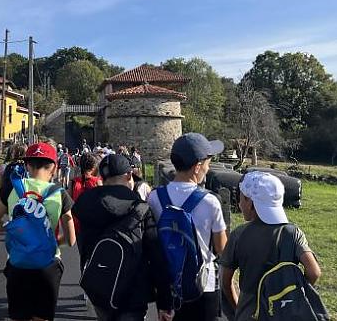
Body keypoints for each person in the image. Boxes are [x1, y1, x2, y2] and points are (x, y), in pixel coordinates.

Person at [0, 142, 77, 321]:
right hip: (48, 266)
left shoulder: (13, 188)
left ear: (27, 165)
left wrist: (14, 230)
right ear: (54, 167)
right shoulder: (60, 194)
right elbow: (71, 239)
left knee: (19, 316)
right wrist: (51, 241)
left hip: (18, 263)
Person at [73, 154, 172, 321]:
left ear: (102, 177)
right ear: (128, 175)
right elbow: (157, 257)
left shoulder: (85, 203)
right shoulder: (140, 209)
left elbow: (83, 244)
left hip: (99, 287)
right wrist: (165, 301)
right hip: (133, 292)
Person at [147, 133, 228, 321]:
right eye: (207, 164)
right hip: (203, 285)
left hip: (168, 287)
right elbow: (222, 248)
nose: (208, 169)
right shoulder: (210, 202)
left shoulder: (155, 197)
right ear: (197, 166)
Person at [221, 171, 321, 321]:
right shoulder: (292, 232)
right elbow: (314, 272)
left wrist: (237, 308)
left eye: (242, 199)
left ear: (251, 203)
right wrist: (293, 294)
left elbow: (225, 281)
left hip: (249, 313)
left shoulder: (239, 234)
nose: (240, 204)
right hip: (283, 312)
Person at [68, 152, 101, 236]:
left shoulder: (73, 182)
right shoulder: (98, 182)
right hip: (94, 224)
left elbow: (68, 205)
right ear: (94, 167)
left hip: (78, 224)